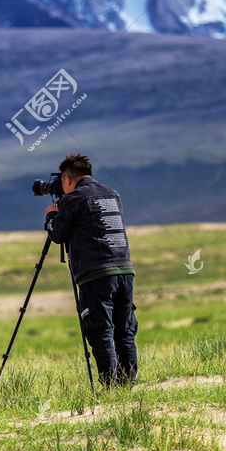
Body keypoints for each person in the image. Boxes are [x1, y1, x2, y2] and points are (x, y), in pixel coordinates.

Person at [43, 153, 138, 387]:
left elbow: (58, 234)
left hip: (96, 275)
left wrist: (51, 216)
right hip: (124, 270)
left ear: (67, 179)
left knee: (100, 332)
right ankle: (127, 384)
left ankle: (110, 388)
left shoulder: (73, 199)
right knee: (124, 330)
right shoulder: (112, 194)